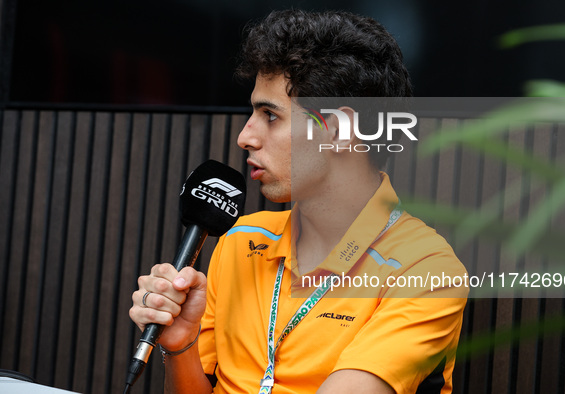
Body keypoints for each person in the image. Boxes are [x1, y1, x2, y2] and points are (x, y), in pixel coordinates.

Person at [129, 9, 467, 394]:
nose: (245, 137)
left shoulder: (426, 268)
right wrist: (181, 343)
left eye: (270, 116)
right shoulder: (240, 238)